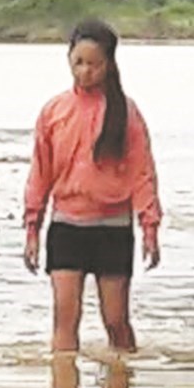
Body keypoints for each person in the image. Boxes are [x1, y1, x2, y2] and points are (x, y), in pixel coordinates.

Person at [24, 20, 163, 353]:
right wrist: (32, 227)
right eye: (78, 63)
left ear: (109, 64)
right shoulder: (54, 111)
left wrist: (150, 227)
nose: (85, 72)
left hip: (112, 226)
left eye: (94, 64)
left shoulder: (125, 113)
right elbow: (40, 171)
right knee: (65, 318)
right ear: (69, 60)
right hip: (66, 224)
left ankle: (122, 387)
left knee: (115, 320)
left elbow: (142, 172)